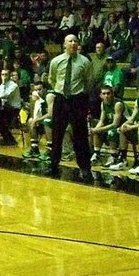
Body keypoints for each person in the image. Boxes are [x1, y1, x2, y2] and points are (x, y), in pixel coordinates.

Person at [47, 33, 93, 180]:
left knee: (80, 135)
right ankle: (53, 165)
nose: (73, 43)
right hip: (61, 99)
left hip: (77, 100)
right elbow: (52, 79)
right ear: (64, 45)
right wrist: (60, 91)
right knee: (57, 134)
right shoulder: (56, 61)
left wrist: (78, 94)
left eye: (75, 41)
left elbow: (88, 81)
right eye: (70, 41)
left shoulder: (85, 62)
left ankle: (85, 168)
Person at [108, 83, 139, 171]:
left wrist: (132, 127)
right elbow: (132, 118)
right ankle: (123, 159)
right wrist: (125, 124)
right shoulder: (138, 101)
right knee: (123, 129)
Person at [89, 86, 127, 167]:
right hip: (114, 127)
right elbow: (102, 121)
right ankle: (97, 154)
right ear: (101, 95)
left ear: (112, 94)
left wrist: (99, 129)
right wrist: (95, 129)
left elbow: (115, 124)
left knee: (111, 132)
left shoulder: (118, 104)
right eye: (104, 93)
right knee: (97, 130)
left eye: (108, 93)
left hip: (124, 127)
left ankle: (114, 156)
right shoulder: (103, 104)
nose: (106, 95)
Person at [0, 67, 22, 144]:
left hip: (13, 109)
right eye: (2, 74)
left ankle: (10, 140)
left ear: (10, 76)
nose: (4, 76)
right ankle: (4, 139)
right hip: (5, 108)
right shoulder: (2, 85)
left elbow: (6, 95)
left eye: (6, 75)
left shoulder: (13, 85)